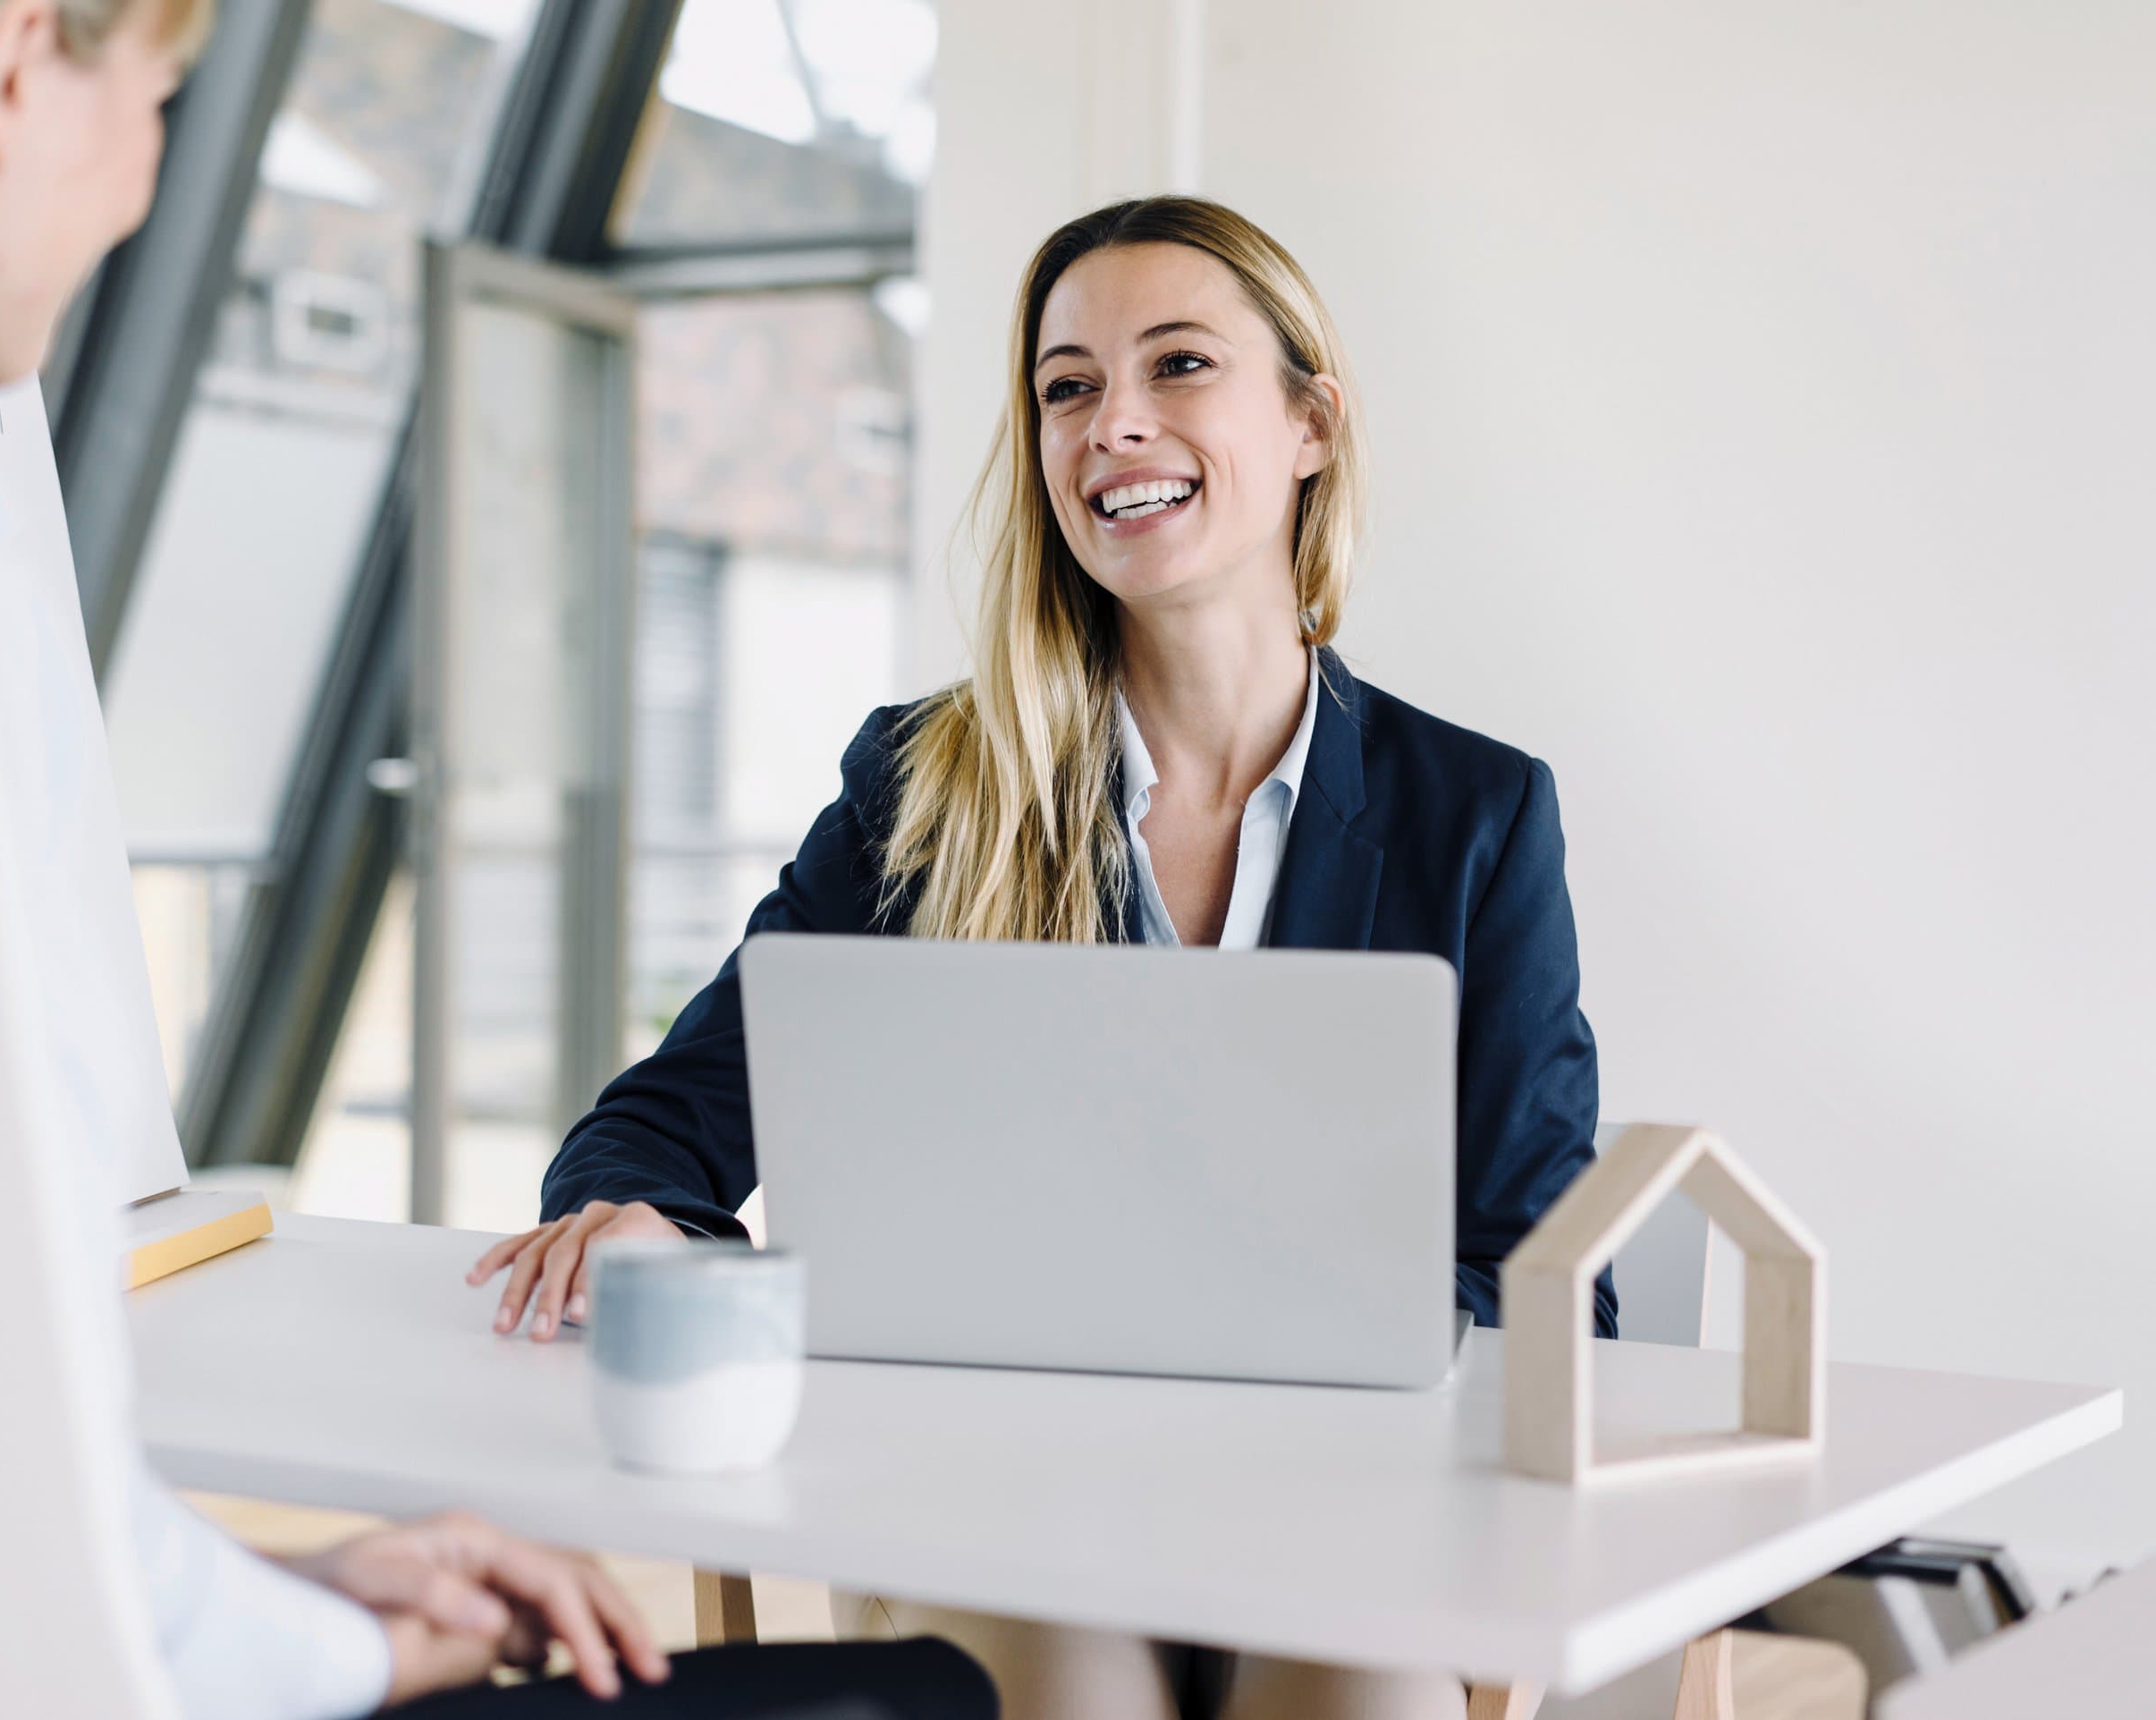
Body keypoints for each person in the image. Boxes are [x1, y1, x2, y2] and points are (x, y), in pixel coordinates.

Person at [0, 4, 993, 1718]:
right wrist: (348, 1645)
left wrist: (266, 1579)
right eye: (162, 95)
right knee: (903, 1696)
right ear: (19, 69)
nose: (141, 186)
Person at [473, 196, 1615, 1718]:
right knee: (1071, 1687)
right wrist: (654, 1233)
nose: (1113, 425)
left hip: (1352, 1502)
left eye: (1180, 365)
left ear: (1310, 425)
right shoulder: (929, 784)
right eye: (1068, 386)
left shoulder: (1476, 813)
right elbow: (663, 1122)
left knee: (1361, 1690)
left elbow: (1554, 1271)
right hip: (1005, 1501)